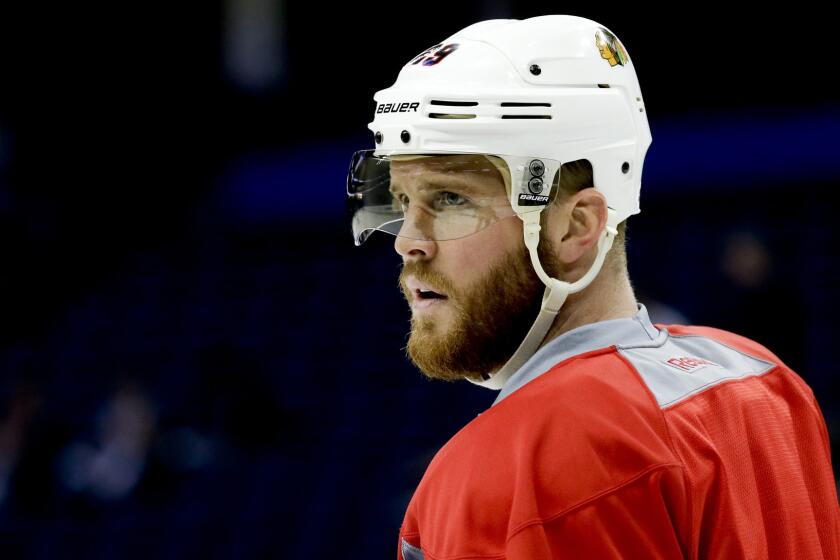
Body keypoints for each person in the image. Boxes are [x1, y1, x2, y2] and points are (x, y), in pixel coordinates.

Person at [346, 14, 840, 560]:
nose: (407, 241)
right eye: (401, 201)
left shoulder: (512, 463)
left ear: (576, 226)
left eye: (450, 199)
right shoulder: (762, 381)